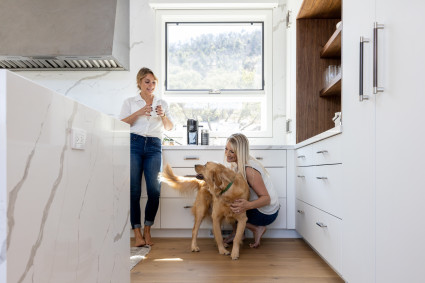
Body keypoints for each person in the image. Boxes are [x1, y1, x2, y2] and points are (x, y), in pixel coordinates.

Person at [120, 67, 174, 247]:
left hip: (153, 145)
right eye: (147, 82)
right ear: (139, 83)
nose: (150, 85)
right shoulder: (130, 102)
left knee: (154, 190)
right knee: (134, 190)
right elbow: (121, 124)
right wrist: (139, 112)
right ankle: (136, 232)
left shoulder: (162, 103)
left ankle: (147, 229)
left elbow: (169, 128)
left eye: (153, 82)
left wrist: (163, 115)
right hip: (134, 144)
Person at [224, 133, 280, 248]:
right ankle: (238, 233)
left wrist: (247, 205)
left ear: (240, 152)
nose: (227, 154)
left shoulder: (249, 169)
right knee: (228, 199)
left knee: (229, 205)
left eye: (232, 151)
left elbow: (266, 199)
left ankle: (257, 228)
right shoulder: (237, 165)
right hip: (261, 208)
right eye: (226, 149)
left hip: (267, 213)